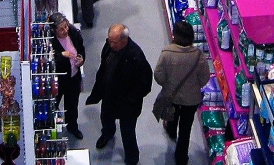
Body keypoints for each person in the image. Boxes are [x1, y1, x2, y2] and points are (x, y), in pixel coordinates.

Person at [85, 24, 153, 165]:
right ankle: (107, 134)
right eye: (109, 40)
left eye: (114, 42)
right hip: (109, 96)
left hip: (127, 104)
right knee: (106, 118)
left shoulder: (136, 57)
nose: (110, 44)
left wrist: (130, 99)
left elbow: (145, 85)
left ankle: (132, 158)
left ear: (124, 40)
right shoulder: (109, 46)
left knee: (127, 132)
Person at [154, 21, 210, 165]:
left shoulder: (167, 53)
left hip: (172, 96)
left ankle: (171, 130)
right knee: (186, 129)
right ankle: (181, 158)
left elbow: (158, 75)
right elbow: (204, 78)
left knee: (172, 116)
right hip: (191, 100)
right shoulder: (198, 56)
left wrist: (167, 84)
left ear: (175, 36)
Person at [48, 13, 85, 139]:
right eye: (61, 29)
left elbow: (81, 49)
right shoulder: (49, 41)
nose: (65, 30)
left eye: (66, 27)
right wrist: (61, 55)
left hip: (73, 77)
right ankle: (49, 128)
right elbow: (48, 60)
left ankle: (72, 127)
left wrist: (81, 60)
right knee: (52, 104)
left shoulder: (73, 33)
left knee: (72, 105)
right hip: (57, 81)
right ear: (54, 30)